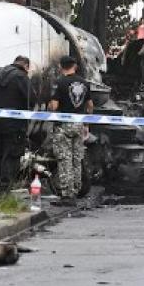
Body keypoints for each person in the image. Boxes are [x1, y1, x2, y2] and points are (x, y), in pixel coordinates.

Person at [47, 55, 93, 205]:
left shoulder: (59, 82)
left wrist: (49, 107)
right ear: (75, 66)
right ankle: (77, 190)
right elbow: (90, 106)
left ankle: (67, 195)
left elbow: (54, 106)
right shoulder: (85, 83)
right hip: (79, 124)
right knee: (76, 158)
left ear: (61, 66)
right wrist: (86, 123)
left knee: (64, 158)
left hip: (63, 125)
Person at [0, 55, 31, 196]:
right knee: (11, 156)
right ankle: (5, 189)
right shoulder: (21, 77)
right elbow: (31, 98)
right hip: (15, 125)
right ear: (26, 66)